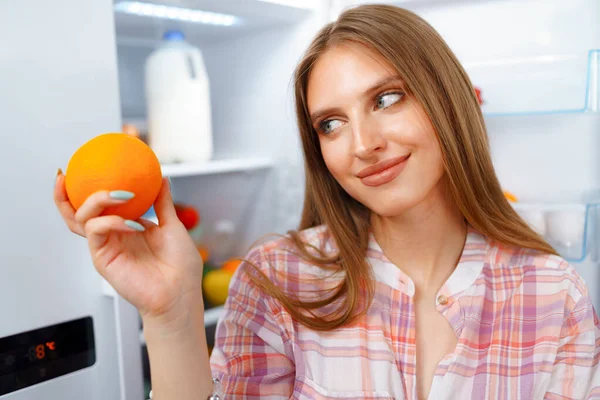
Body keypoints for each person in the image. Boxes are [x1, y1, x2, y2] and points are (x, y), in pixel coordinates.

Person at [54, 4, 600, 400]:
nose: (363, 146)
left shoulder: (552, 294)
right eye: (331, 124)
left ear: (447, 99)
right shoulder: (277, 279)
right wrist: (171, 316)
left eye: (387, 99)